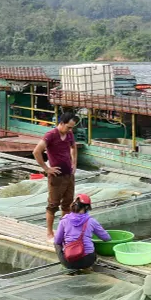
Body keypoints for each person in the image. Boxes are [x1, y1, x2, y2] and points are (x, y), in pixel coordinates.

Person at [32, 111, 79, 242]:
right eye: (68, 127)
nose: (70, 130)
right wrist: (47, 169)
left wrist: (74, 163)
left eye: (72, 128)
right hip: (56, 176)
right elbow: (36, 151)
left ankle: (63, 231)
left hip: (68, 175)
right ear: (61, 123)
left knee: (68, 204)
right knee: (53, 205)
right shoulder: (51, 135)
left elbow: (73, 147)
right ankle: (49, 233)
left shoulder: (69, 134)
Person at [53, 193, 110, 271]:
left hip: (68, 262)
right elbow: (106, 238)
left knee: (56, 244)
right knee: (89, 242)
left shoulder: (64, 220)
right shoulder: (91, 221)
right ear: (87, 207)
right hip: (87, 261)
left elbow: (57, 241)